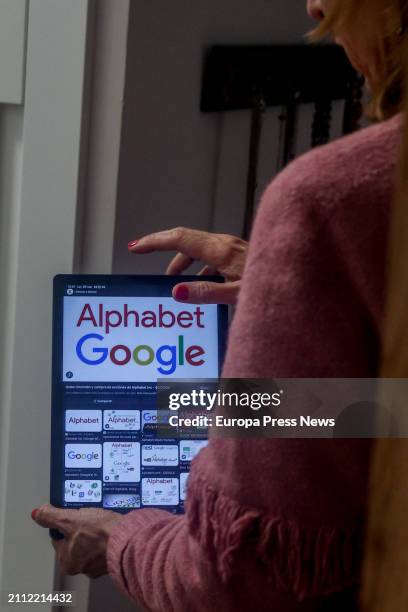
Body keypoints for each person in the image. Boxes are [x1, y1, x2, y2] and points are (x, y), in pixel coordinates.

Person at [32, 0, 406, 609]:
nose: (313, 3)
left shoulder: (330, 201)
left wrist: (120, 538)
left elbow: (237, 578)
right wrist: (300, 283)